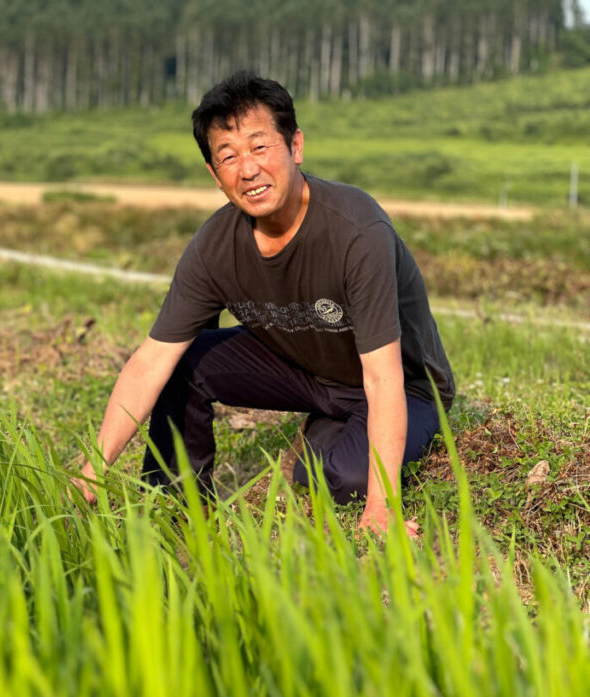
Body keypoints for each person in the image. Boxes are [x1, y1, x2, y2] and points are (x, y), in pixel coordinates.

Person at [73, 71, 454, 535]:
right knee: (182, 363)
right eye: (228, 157)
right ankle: (176, 509)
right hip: (306, 372)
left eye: (259, 147)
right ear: (215, 175)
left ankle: (322, 446)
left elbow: (383, 374)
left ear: (295, 147)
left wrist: (381, 507)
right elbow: (151, 360)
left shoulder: (356, 231)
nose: (247, 169)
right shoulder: (215, 246)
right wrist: (92, 469)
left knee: (341, 478)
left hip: (403, 384)